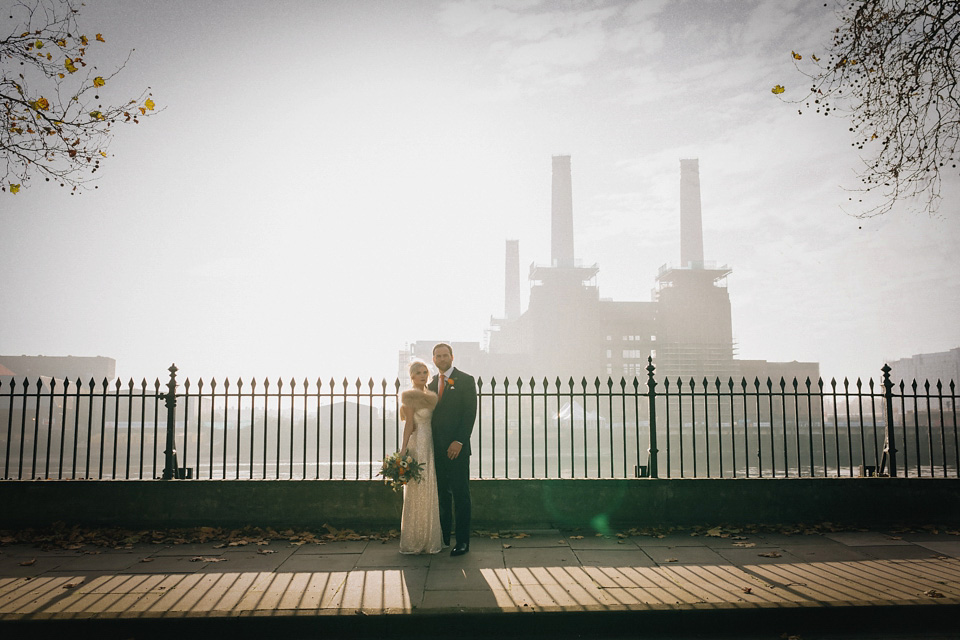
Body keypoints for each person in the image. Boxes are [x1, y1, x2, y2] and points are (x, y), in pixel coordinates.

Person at [427, 343, 477, 556]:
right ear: (434, 359)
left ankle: (463, 541)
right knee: (442, 496)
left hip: (457, 448)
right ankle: (444, 537)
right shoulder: (429, 386)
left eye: (445, 355)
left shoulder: (466, 380)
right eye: (438, 356)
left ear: (452, 357)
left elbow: (469, 413)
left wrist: (459, 441)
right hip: (435, 449)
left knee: (461, 495)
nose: (442, 358)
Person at [398, 360, 442, 554]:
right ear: (412, 377)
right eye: (418, 373)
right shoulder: (409, 397)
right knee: (417, 487)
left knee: (429, 487)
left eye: (425, 372)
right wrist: (403, 450)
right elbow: (408, 424)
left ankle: (429, 538)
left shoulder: (431, 396)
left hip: (431, 442)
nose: (423, 375)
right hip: (417, 444)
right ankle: (414, 539)